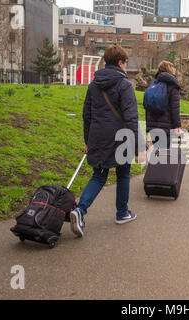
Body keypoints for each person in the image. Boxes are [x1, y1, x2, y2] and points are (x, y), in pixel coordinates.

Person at [70, 45, 145, 237]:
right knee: (123, 174)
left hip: (98, 135)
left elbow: (86, 115)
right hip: (121, 137)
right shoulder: (125, 85)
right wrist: (140, 146)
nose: (126, 66)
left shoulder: (94, 85)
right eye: (126, 62)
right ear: (120, 62)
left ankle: (80, 210)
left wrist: (88, 140)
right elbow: (131, 118)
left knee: (99, 175)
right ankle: (122, 213)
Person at [145, 61, 182, 149]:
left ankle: (156, 161)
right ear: (171, 70)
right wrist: (177, 126)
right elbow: (175, 109)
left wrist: (148, 126)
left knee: (157, 151)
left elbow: (147, 107)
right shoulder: (172, 87)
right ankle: (160, 162)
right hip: (166, 127)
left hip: (153, 127)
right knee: (165, 154)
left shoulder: (153, 85)